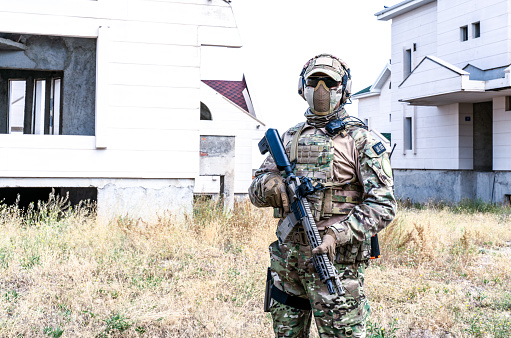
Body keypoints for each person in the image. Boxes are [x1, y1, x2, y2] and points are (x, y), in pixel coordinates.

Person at [248, 53, 397, 338]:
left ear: (344, 89)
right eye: (314, 81)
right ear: (302, 87)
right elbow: (254, 190)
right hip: (289, 263)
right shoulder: (288, 139)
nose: (321, 89)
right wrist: (269, 185)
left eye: (330, 82)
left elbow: (384, 205)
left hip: (336, 263)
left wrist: (337, 234)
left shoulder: (361, 140)